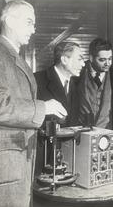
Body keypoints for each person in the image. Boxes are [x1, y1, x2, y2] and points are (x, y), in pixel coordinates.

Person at [0, 0, 67, 207]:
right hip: (3, 168)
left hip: (15, 165)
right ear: (10, 21)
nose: (34, 29)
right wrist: (42, 108)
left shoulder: (10, 55)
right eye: (29, 22)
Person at [34, 41, 85, 175]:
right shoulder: (37, 80)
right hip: (41, 160)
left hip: (65, 158)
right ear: (64, 60)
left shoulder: (76, 85)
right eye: (79, 59)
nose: (83, 64)